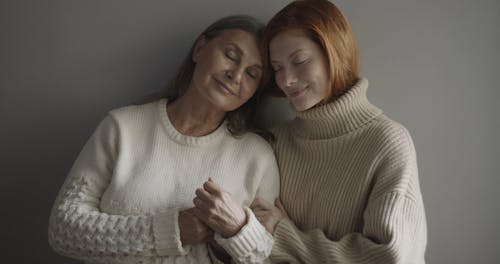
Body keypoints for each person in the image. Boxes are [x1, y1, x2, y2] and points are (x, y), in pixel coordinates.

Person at [48, 15, 279, 264]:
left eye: (253, 74)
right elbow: (63, 229)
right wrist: (171, 231)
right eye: (231, 56)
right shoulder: (122, 127)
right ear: (200, 49)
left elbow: (268, 257)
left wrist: (236, 232)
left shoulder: (259, 156)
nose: (236, 75)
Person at [250, 1, 427, 263]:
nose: (286, 80)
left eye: (299, 61)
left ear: (334, 52)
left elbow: (387, 255)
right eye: (277, 68)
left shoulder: (387, 142)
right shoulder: (278, 141)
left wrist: (284, 234)